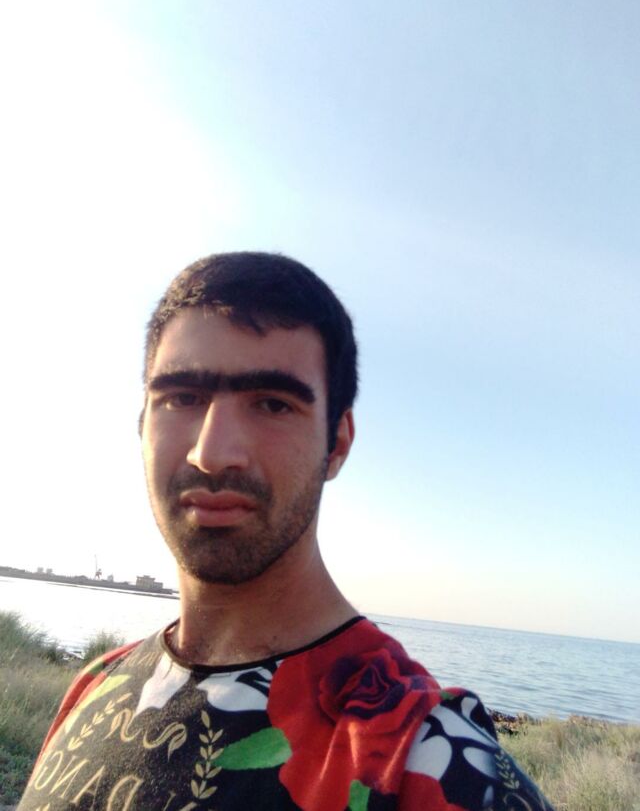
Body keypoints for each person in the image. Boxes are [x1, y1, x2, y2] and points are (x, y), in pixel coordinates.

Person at [18, 252, 554, 811]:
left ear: (336, 443)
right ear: (142, 423)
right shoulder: (97, 685)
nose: (211, 453)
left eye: (272, 404)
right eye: (181, 398)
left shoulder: (437, 766)